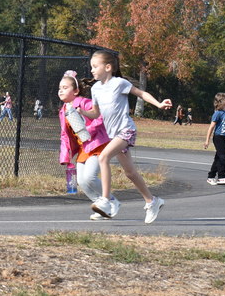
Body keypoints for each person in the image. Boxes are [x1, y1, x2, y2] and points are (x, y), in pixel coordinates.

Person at [76, 50, 172, 224]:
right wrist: (83, 112)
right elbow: (96, 113)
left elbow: (141, 93)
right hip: (114, 135)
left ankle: (105, 200)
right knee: (130, 172)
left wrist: (159, 104)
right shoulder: (96, 89)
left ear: (108, 67)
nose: (92, 70)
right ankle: (152, 201)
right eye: (91, 67)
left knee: (103, 157)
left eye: (95, 66)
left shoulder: (119, 83)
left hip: (126, 130)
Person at [58, 70, 119, 220]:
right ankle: (102, 208)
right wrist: (65, 156)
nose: (61, 90)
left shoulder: (85, 103)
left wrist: (88, 130)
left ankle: (111, 201)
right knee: (81, 181)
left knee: (90, 177)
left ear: (76, 91)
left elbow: (100, 116)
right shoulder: (63, 111)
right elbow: (65, 136)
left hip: (96, 144)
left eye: (65, 88)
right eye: (60, 88)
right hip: (83, 148)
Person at [203, 92, 225, 185]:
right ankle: (221, 177)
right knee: (222, 157)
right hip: (218, 137)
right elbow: (211, 127)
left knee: (218, 157)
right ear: (222, 101)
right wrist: (207, 140)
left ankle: (211, 177)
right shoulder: (217, 114)